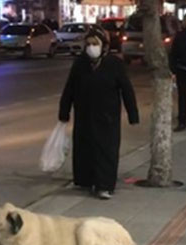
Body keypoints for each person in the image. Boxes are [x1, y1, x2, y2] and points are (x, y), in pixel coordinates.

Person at [59, 29, 138, 200]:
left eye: (95, 44)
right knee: (85, 149)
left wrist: (133, 114)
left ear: (104, 46)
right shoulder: (80, 64)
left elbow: (126, 89)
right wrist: (64, 112)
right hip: (84, 115)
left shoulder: (114, 64)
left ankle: (104, 185)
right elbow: (70, 89)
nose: (91, 48)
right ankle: (86, 180)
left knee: (106, 151)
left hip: (107, 118)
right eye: (88, 44)